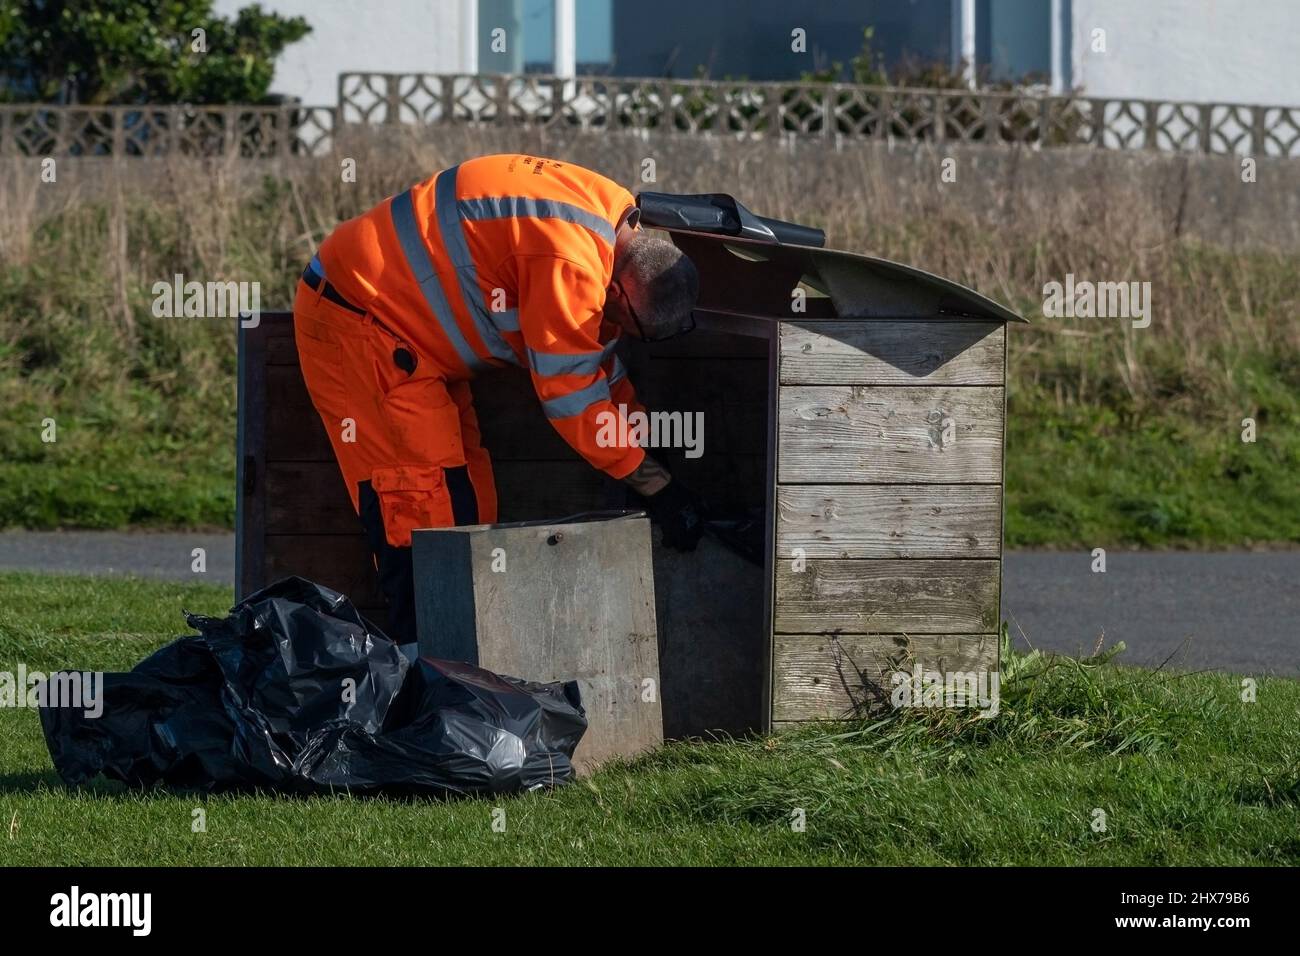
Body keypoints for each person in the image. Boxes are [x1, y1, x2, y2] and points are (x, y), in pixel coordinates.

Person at [293, 154, 704, 642]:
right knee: (422, 508)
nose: (634, 339)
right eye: (639, 329)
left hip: (407, 334)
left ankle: (455, 675)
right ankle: (423, 677)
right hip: (362, 321)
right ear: (615, 291)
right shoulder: (571, 265)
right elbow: (572, 395)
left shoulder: (608, 225)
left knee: (469, 503)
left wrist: (640, 443)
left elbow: (600, 365)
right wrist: (657, 485)